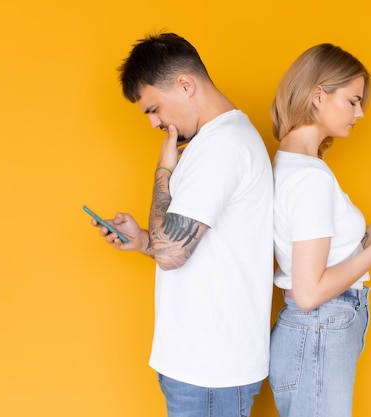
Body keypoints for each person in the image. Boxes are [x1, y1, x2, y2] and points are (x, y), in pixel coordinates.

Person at [89, 33, 273, 417]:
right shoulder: (212, 142)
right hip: (198, 366)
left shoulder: (224, 145)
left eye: (154, 108)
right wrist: (142, 241)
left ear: (186, 85)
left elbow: (172, 254)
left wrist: (163, 171)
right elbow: (182, 244)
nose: (155, 121)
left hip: (210, 371)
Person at [268, 43, 371, 417]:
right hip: (320, 327)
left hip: (315, 333)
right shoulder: (310, 178)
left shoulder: (294, 165)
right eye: (353, 100)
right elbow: (310, 293)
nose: (360, 113)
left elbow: (312, 258)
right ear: (318, 95)